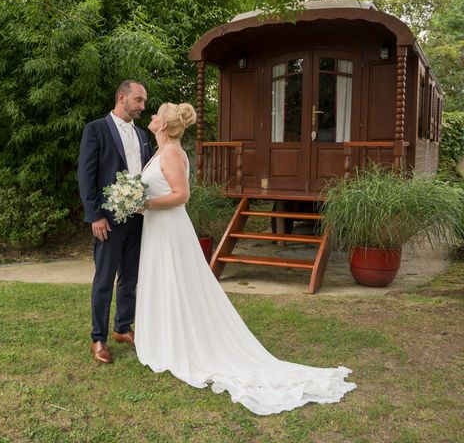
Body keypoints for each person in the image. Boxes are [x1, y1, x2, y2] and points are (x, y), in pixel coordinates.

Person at [134, 102, 356, 415]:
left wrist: (146, 204)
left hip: (168, 227)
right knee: (165, 281)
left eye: (156, 114)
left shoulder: (171, 153)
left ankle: (180, 342)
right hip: (159, 228)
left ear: (166, 126)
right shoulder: (163, 151)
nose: (152, 117)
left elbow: (182, 195)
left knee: (176, 281)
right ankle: (166, 336)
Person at [78, 80, 153, 364]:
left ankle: (123, 326)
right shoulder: (95, 129)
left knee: (130, 278)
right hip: (107, 220)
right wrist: (94, 214)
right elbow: (86, 175)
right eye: (139, 100)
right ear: (122, 97)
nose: (142, 106)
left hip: (138, 218)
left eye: (143, 101)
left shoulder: (142, 135)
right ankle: (98, 338)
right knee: (104, 280)